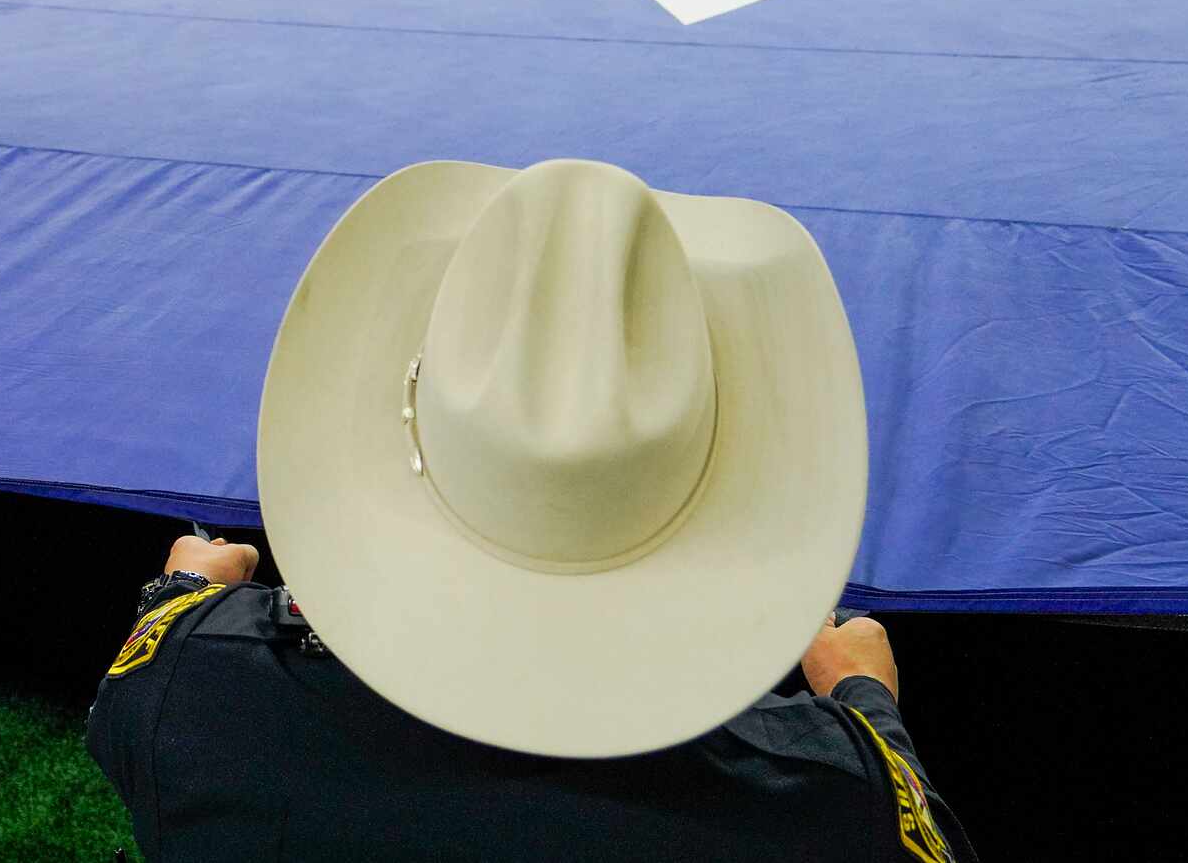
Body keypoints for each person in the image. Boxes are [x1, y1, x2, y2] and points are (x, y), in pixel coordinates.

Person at [89, 158, 977, 861]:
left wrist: (183, 592)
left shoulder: (180, 689)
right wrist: (864, 701)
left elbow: (144, 673)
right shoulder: (835, 803)